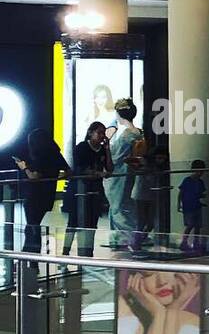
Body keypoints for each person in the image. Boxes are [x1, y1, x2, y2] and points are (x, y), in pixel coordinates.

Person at [14, 128, 70, 253]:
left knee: (32, 227)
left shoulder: (39, 155)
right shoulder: (55, 154)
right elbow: (68, 171)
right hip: (49, 195)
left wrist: (24, 167)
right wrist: (53, 177)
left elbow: (35, 177)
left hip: (34, 196)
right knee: (35, 226)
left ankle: (30, 257)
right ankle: (31, 257)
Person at [62, 121, 109, 256]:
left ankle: (88, 252)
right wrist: (96, 173)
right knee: (73, 221)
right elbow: (80, 168)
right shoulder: (81, 147)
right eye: (99, 133)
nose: (102, 136)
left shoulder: (102, 150)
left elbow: (110, 168)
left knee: (92, 222)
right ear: (90, 132)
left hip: (95, 190)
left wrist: (107, 149)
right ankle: (66, 252)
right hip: (78, 190)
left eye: (103, 133)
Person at [118, 270, 201, 334]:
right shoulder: (122, 307)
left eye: (170, 270)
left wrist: (171, 310)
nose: (162, 281)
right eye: (149, 274)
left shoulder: (192, 321)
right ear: (133, 279)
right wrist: (159, 313)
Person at [104, 98, 145, 250]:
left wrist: (107, 147)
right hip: (129, 173)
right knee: (125, 205)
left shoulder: (127, 135)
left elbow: (116, 157)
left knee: (119, 207)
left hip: (120, 174)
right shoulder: (138, 132)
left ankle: (124, 240)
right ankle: (128, 239)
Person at [178, 159, 206, 251]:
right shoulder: (187, 180)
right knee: (190, 225)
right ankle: (184, 242)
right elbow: (181, 193)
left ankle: (196, 242)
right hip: (189, 206)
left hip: (196, 205)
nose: (201, 172)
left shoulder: (200, 182)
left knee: (197, 225)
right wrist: (179, 204)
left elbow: (198, 194)